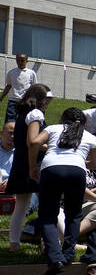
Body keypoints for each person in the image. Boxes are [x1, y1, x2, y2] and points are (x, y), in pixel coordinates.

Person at [30, 107, 96, 275]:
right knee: (74, 214)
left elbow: (34, 142)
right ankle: (68, 254)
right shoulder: (90, 136)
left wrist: (32, 166)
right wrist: (81, 163)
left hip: (51, 169)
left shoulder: (54, 128)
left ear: (63, 119)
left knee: (48, 215)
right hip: (77, 172)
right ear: (83, 123)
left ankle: (55, 258)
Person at [5, 84, 52, 252]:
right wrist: (50, 146)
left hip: (20, 163)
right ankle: (48, 242)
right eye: (47, 99)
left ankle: (14, 244)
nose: (48, 103)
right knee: (48, 205)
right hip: (32, 165)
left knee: (21, 207)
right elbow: (32, 142)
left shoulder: (22, 114)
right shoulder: (36, 114)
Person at [0, 53, 37, 123]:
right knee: (10, 120)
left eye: (22, 60)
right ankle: (10, 133)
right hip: (13, 101)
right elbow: (8, 86)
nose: (20, 62)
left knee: (23, 120)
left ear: (27, 61)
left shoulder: (31, 73)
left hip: (25, 101)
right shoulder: (11, 72)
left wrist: (34, 100)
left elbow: (34, 88)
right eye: (18, 60)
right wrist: (1, 97)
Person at [0, 121, 15, 190]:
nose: (12, 136)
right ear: (2, 133)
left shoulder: (22, 151)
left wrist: (12, 180)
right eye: (10, 133)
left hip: (14, 187)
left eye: (15, 133)